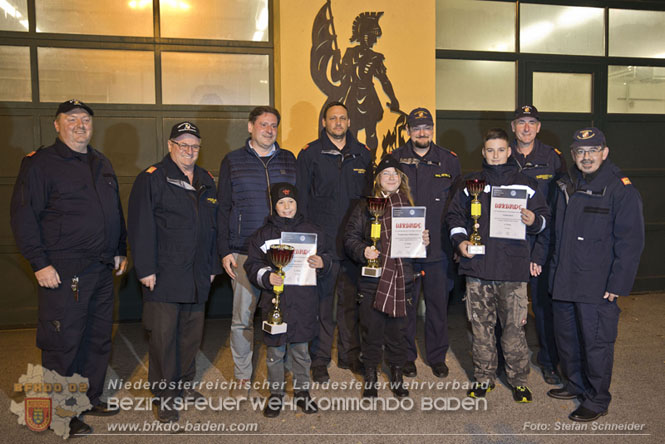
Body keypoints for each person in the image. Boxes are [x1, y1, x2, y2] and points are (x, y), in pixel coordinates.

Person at [10, 99, 128, 436]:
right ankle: (62, 411)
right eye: (72, 118)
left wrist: (120, 249)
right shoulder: (40, 164)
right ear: (56, 124)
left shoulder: (100, 162)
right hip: (63, 269)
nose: (80, 124)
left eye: (86, 119)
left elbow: (113, 211)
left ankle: (88, 398)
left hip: (101, 268)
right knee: (63, 342)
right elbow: (24, 216)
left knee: (97, 338)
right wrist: (40, 262)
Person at [446, 128, 549, 403]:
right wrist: (461, 242)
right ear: (483, 152)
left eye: (501, 150)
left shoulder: (526, 184)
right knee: (480, 329)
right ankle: (483, 378)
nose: (495, 155)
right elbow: (454, 217)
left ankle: (519, 380)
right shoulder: (470, 184)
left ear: (509, 151)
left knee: (515, 330)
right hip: (478, 268)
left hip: (513, 271)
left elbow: (544, 219)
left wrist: (533, 222)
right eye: (490, 150)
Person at [548, 127, 644, 422]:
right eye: (580, 151)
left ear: (605, 152)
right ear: (573, 155)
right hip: (564, 278)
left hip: (597, 284)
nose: (586, 157)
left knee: (596, 343)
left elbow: (631, 242)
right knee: (568, 339)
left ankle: (597, 398)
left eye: (592, 151)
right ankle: (575, 384)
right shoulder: (564, 183)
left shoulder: (620, 189)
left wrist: (617, 283)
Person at [128, 122, 220, 422]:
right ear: (170, 146)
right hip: (164, 273)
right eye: (183, 145)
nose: (189, 151)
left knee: (191, 336)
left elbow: (212, 227)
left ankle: (182, 384)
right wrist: (146, 268)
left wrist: (211, 266)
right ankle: (165, 395)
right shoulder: (153, 178)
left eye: (194, 145)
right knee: (164, 338)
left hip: (196, 274)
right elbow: (140, 225)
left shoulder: (206, 179)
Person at [217, 106, 297, 394]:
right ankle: (242, 373)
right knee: (243, 318)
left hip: (282, 251)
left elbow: (298, 206)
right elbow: (223, 208)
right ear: (250, 127)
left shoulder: (288, 159)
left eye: (274, 125)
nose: (269, 130)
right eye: (263, 124)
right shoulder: (233, 161)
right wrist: (224, 249)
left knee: (282, 313)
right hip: (243, 250)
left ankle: (280, 369)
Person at [296, 101, 373, 383]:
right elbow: (301, 200)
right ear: (324, 123)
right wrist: (307, 243)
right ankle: (319, 359)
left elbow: (370, 203)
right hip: (323, 244)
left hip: (354, 245)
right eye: (332, 119)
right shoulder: (309, 154)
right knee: (322, 305)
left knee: (350, 304)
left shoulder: (363, 155)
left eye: (342, 118)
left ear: (349, 122)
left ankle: (350, 355)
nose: (338, 123)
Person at [344, 156, 429, 398]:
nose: (391, 178)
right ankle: (370, 376)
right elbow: (349, 238)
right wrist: (363, 251)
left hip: (403, 279)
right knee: (372, 331)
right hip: (373, 280)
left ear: (401, 179)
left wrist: (423, 242)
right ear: (377, 179)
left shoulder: (410, 207)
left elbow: (418, 250)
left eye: (395, 174)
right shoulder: (365, 206)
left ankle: (397, 375)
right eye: (385, 173)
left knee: (399, 333)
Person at [245, 183, 332, 417]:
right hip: (275, 303)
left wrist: (323, 263)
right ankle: (276, 394)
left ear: (297, 203)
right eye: (281, 203)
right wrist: (266, 276)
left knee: (302, 351)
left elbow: (328, 256)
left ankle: (302, 392)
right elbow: (252, 264)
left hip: (303, 301)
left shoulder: (312, 232)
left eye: (291, 202)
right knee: (275, 353)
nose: (286, 207)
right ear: (274, 206)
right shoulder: (262, 235)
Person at [390, 107, 461, 378]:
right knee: (405, 308)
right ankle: (406, 356)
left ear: (433, 129)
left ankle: (436, 356)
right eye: (417, 127)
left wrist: (456, 243)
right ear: (408, 131)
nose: (422, 132)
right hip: (404, 249)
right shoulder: (394, 159)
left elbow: (458, 206)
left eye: (427, 127)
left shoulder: (449, 161)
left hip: (438, 249)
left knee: (437, 307)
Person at [509, 105, 567, 385]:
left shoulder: (553, 159)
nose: (527, 128)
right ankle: (504, 358)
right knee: (505, 306)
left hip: (540, 242)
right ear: (513, 127)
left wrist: (542, 251)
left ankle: (549, 362)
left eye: (532, 122)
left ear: (539, 127)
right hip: (508, 243)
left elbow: (557, 209)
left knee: (543, 308)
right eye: (522, 122)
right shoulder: (502, 153)